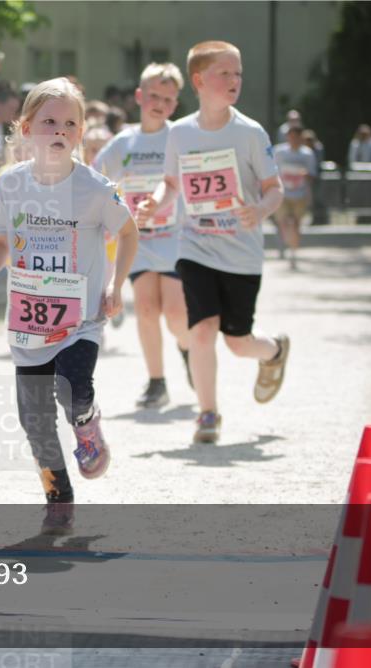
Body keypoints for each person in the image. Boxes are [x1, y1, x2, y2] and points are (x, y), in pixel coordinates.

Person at [0, 77, 138, 534]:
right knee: (33, 417)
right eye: (48, 121)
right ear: (26, 128)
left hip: (80, 319)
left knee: (74, 389)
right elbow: (2, 243)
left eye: (69, 123)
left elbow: (129, 231)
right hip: (29, 320)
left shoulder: (96, 187)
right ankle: (59, 497)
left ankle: (86, 422)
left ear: (80, 133)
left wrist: (115, 285)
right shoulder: (11, 184)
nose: (59, 130)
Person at [140, 40, 289, 444]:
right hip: (196, 248)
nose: (234, 80)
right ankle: (208, 414)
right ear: (199, 80)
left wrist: (259, 210)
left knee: (238, 344)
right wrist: (156, 202)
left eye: (238, 73)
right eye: (225, 73)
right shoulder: (180, 134)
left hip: (241, 255)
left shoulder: (250, 133)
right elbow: (171, 184)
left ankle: (273, 351)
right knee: (202, 331)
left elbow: (275, 189)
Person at [94, 63, 191, 409]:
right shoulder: (124, 142)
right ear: (139, 96)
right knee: (147, 309)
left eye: (168, 98)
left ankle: (188, 348)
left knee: (178, 317)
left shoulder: (180, 136)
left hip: (177, 238)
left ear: (176, 104)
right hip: (139, 241)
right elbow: (97, 179)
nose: (159, 103)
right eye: (153, 95)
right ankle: (156, 382)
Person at [273, 125, 317, 269]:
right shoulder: (279, 152)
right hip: (282, 193)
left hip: (300, 194)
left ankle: (293, 252)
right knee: (283, 222)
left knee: (297, 224)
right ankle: (284, 247)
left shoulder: (307, 154)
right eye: (290, 136)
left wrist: (302, 174)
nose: (293, 139)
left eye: (296, 136)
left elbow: (312, 175)